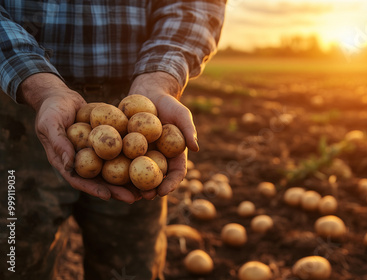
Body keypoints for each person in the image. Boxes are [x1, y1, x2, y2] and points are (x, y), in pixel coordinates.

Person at [0, 1, 225, 279]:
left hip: (139, 94)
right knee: (15, 257)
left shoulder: (139, 139)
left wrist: (160, 77)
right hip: (25, 100)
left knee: (129, 269)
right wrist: (38, 82)